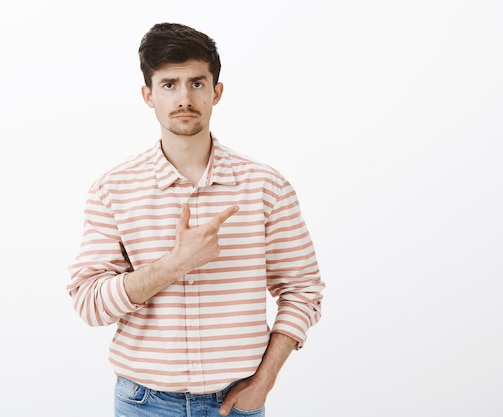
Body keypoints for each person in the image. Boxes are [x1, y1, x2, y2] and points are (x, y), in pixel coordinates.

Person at [67, 22, 324, 417]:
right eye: (169, 84)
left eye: (197, 83)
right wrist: (175, 264)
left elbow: (303, 290)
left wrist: (264, 382)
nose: (184, 97)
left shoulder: (266, 187)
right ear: (148, 95)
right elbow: (89, 303)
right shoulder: (112, 190)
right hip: (144, 403)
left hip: (236, 402)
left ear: (216, 92)